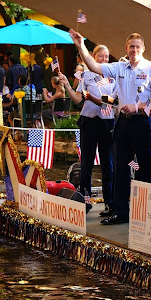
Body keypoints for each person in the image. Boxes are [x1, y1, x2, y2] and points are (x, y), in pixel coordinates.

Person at [70, 29, 151, 225]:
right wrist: (81, 45)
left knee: (144, 167)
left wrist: (140, 107)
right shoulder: (119, 67)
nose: (134, 50)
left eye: (137, 47)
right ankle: (120, 212)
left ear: (143, 48)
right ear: (126, 48)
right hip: (122, 122)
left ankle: (146, 213)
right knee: (120, 167)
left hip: (140, 122)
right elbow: (94, 66)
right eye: (131, 47)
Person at [59, 44, 115, 217]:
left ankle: (110, 203)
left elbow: (113, 101)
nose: (103, 60)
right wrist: (67, 85)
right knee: (86, 164)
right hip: (89, 122)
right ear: (93, 57)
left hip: (107, 123)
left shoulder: (113, 76)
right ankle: (85, 200)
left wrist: (96, 98)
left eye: (106, 57)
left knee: (108, 164)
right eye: (100, 56)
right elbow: (77, 99)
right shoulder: (86, 75)